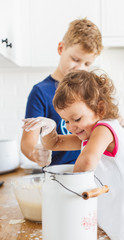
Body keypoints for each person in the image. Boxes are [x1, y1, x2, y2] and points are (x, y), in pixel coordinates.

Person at [22, 70, 124, 240]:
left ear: (100, 108)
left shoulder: (105, 128)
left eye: (77, 119)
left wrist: (67, 192)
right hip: (120, 227)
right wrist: (49, 127)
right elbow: (54, 144)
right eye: (65, 121)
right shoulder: (88, 134)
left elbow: (87, 160)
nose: (71, 127)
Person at [21, 18, 103, 167]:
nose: (80, 68)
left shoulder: (90, 92)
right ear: (61, 49)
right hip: (57, 174)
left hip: (89, 171)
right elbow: (27, 142)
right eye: (75, 59)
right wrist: (35, 153)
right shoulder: (40, 92)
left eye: (87, 64)